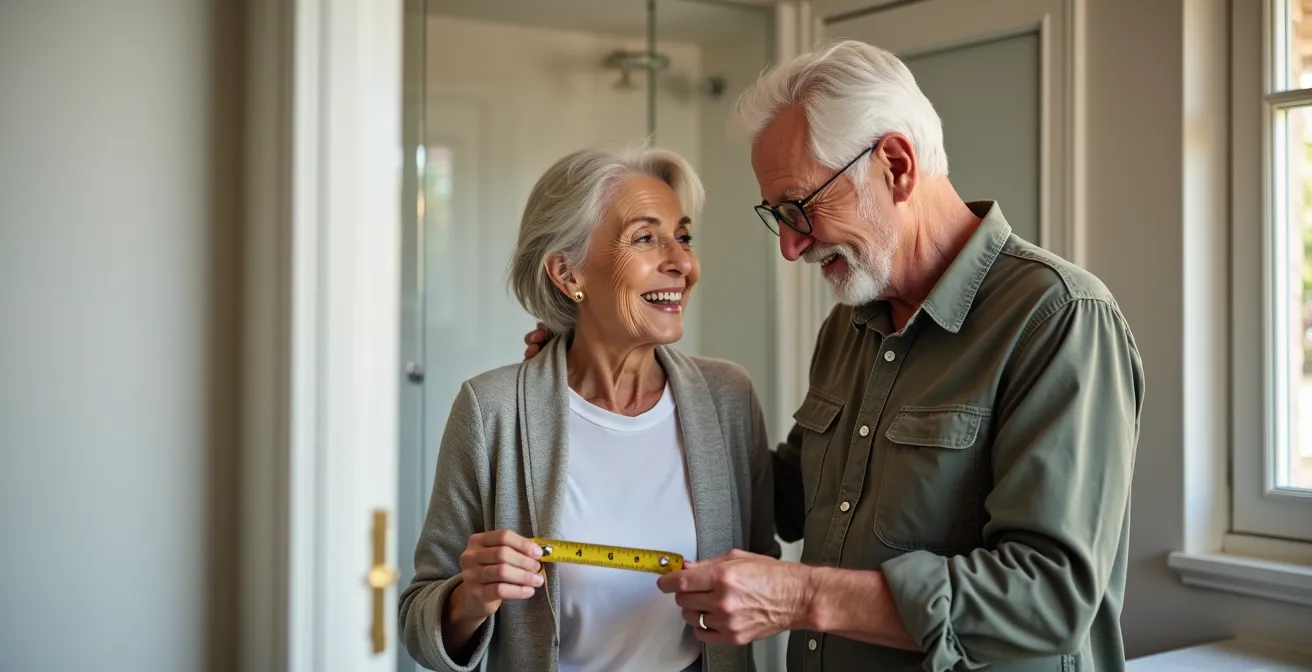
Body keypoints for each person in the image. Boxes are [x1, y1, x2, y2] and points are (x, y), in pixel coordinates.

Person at [525, 40, 1144, 672]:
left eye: (799, 207)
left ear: (895, 165)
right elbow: (791, 494)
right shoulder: (852, 323)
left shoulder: (1058, 318)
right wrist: (609, 380)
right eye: (777, 215)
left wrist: (801, 596)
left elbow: (1050, 599)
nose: (791, 247)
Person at [399, 145, 780, 672]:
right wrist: (470, 598)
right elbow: (419, 623)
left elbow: (760, 570)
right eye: (645, 238)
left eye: (684, 237)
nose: (684, 264)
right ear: (568, 273)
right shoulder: (492, 411)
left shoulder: (728, 399)